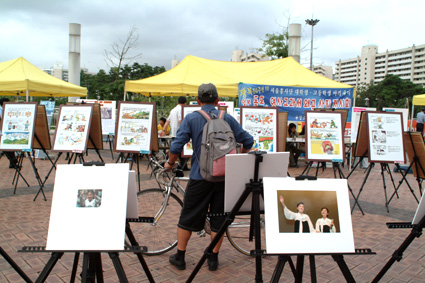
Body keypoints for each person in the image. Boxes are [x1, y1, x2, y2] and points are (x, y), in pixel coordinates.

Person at [165, 83, 253, 271]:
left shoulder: (191, 119)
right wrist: (241, 156)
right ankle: (213, 259)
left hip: (200, 177)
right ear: (217, 100)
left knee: (188, 216)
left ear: (197, 101)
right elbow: (248, 140)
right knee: (219, 217)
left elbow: (175, 147)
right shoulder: (227, 118)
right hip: (224, 178)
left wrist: (170, 163)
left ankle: (180, 257)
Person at [163, 96, 188, 170]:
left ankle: (167, 163)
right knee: (182, 150)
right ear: (185, 103)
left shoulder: (173, 110)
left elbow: (167, 121)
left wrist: (163, 130)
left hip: (173, 133)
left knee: (174, 150)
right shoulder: (181, 109)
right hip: (180, 134)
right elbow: (180, 120)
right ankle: (184, 166)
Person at [0, 98, 18, 169]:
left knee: (9, 149)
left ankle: (13, 162)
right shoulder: (1, 110)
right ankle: (13, 162)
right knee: (8, 149)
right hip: (2, 133)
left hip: (5, 132)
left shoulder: (4, 110)